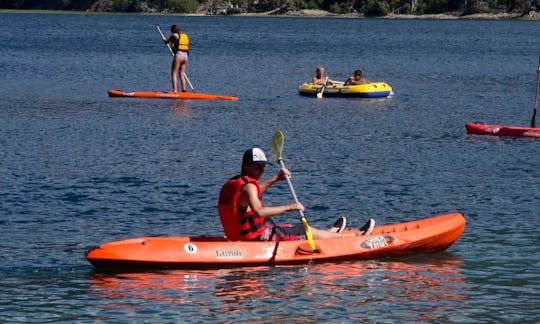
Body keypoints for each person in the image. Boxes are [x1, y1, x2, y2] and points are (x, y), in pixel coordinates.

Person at [218, 147, 375, 242]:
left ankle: (331, 233)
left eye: (263, 167)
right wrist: (290, 207)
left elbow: (253, 194)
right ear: (246, 165)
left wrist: (275, 179)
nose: (261, 170)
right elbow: (259, 211)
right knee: (303, 231)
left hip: (241, 236)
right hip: (257, 239)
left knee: (290, 227)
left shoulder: (236, 183)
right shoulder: (248, 187)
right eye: (258, 167)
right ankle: (354, 237)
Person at [163, 24, 189, 92]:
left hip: (179, 55)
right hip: (185, 56)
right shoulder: (184, 35)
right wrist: (173, 49)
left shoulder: (174, 35)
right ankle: (184, 90)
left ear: (172, 30)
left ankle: (175, 90)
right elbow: (174, 44)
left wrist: (164, 40)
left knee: (174, 73)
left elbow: (166, 42)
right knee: (181, 73)